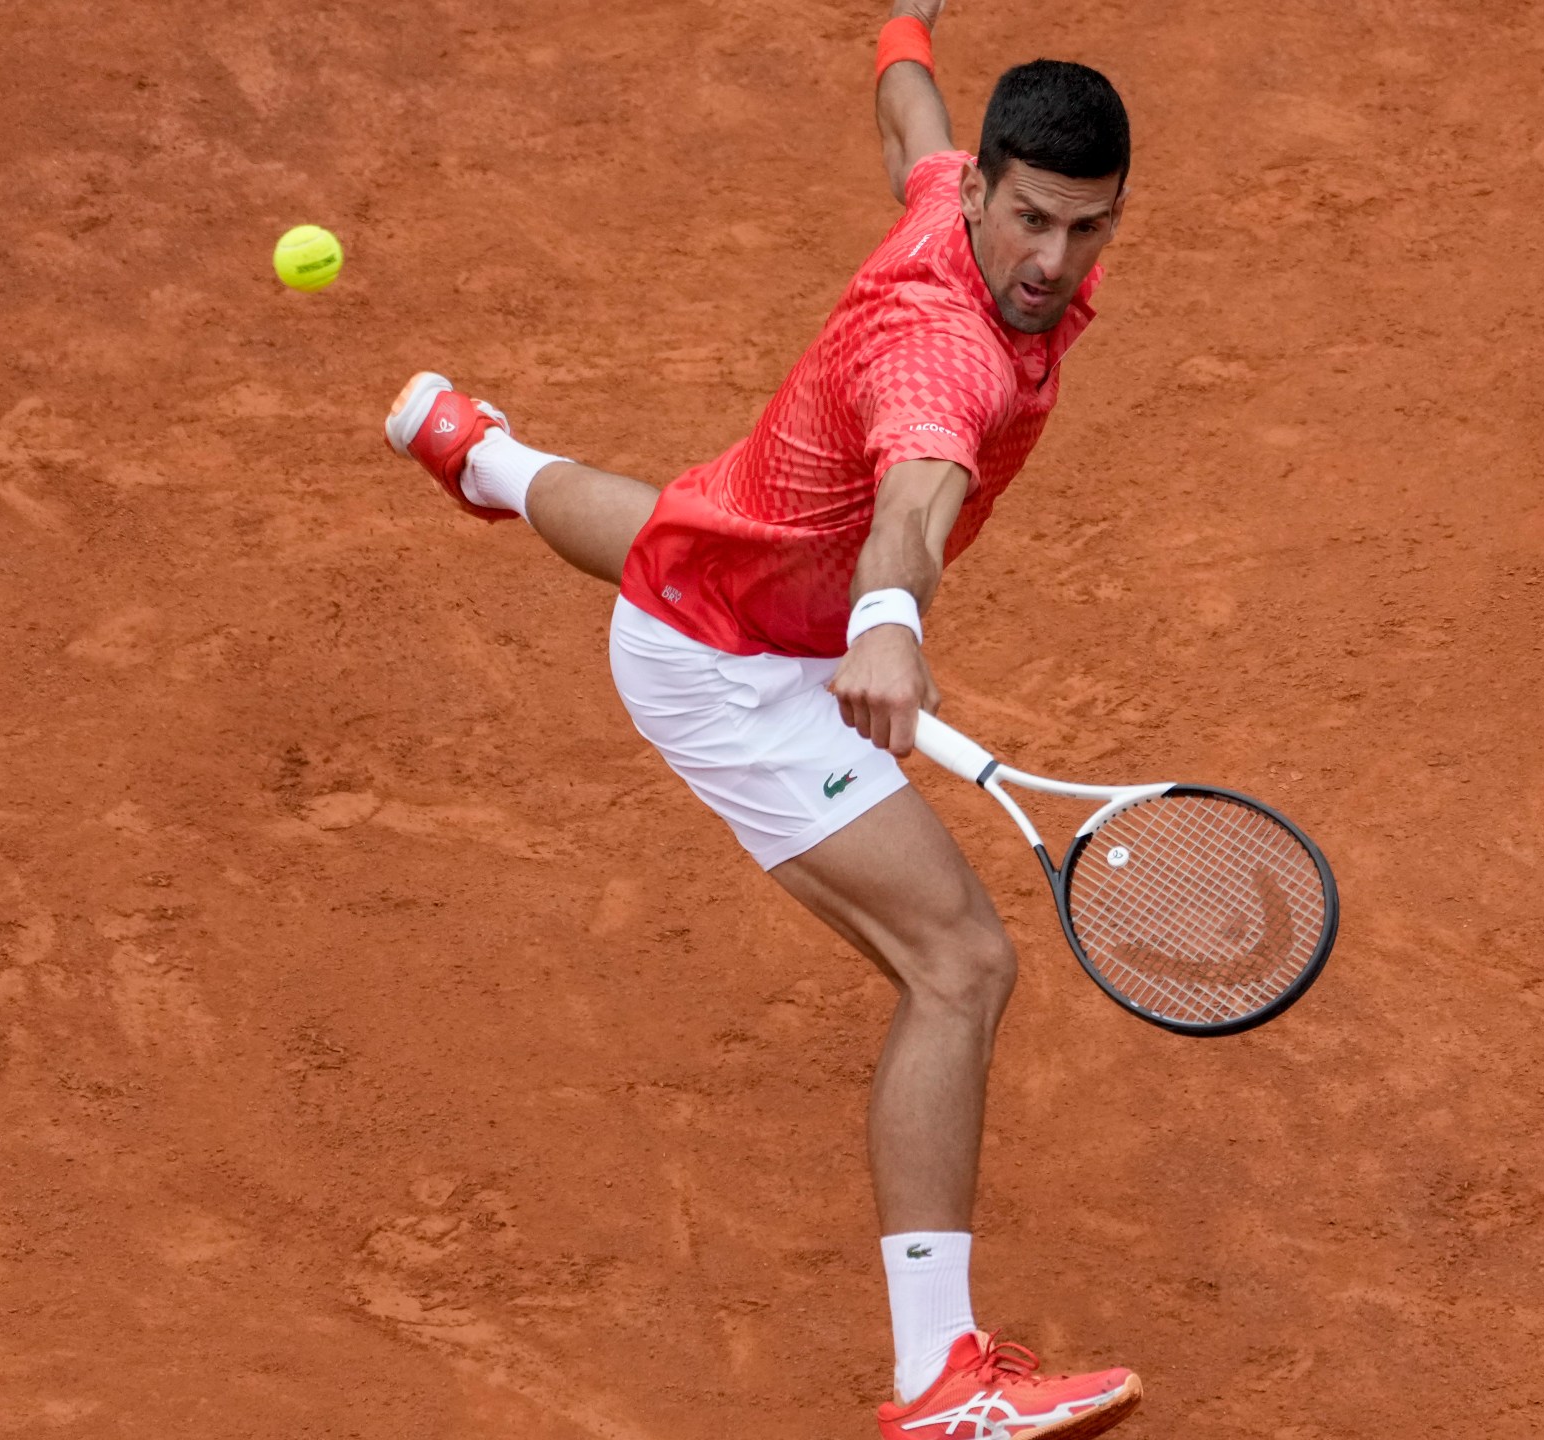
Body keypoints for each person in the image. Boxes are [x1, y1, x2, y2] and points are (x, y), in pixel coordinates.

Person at [384, 4, 1139, 1434]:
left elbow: (910, 122)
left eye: (1087, 231)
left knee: (675, 533)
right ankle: (940, 1381)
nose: (1051, 265)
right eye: (1032, 221)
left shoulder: (951, 195)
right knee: (961, 969)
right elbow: (917, 493)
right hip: (739, 662)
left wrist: (901, 22)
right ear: (989, 193)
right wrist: (889, 624)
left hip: (737, 545)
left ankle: (482, 456)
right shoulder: (947, 355)